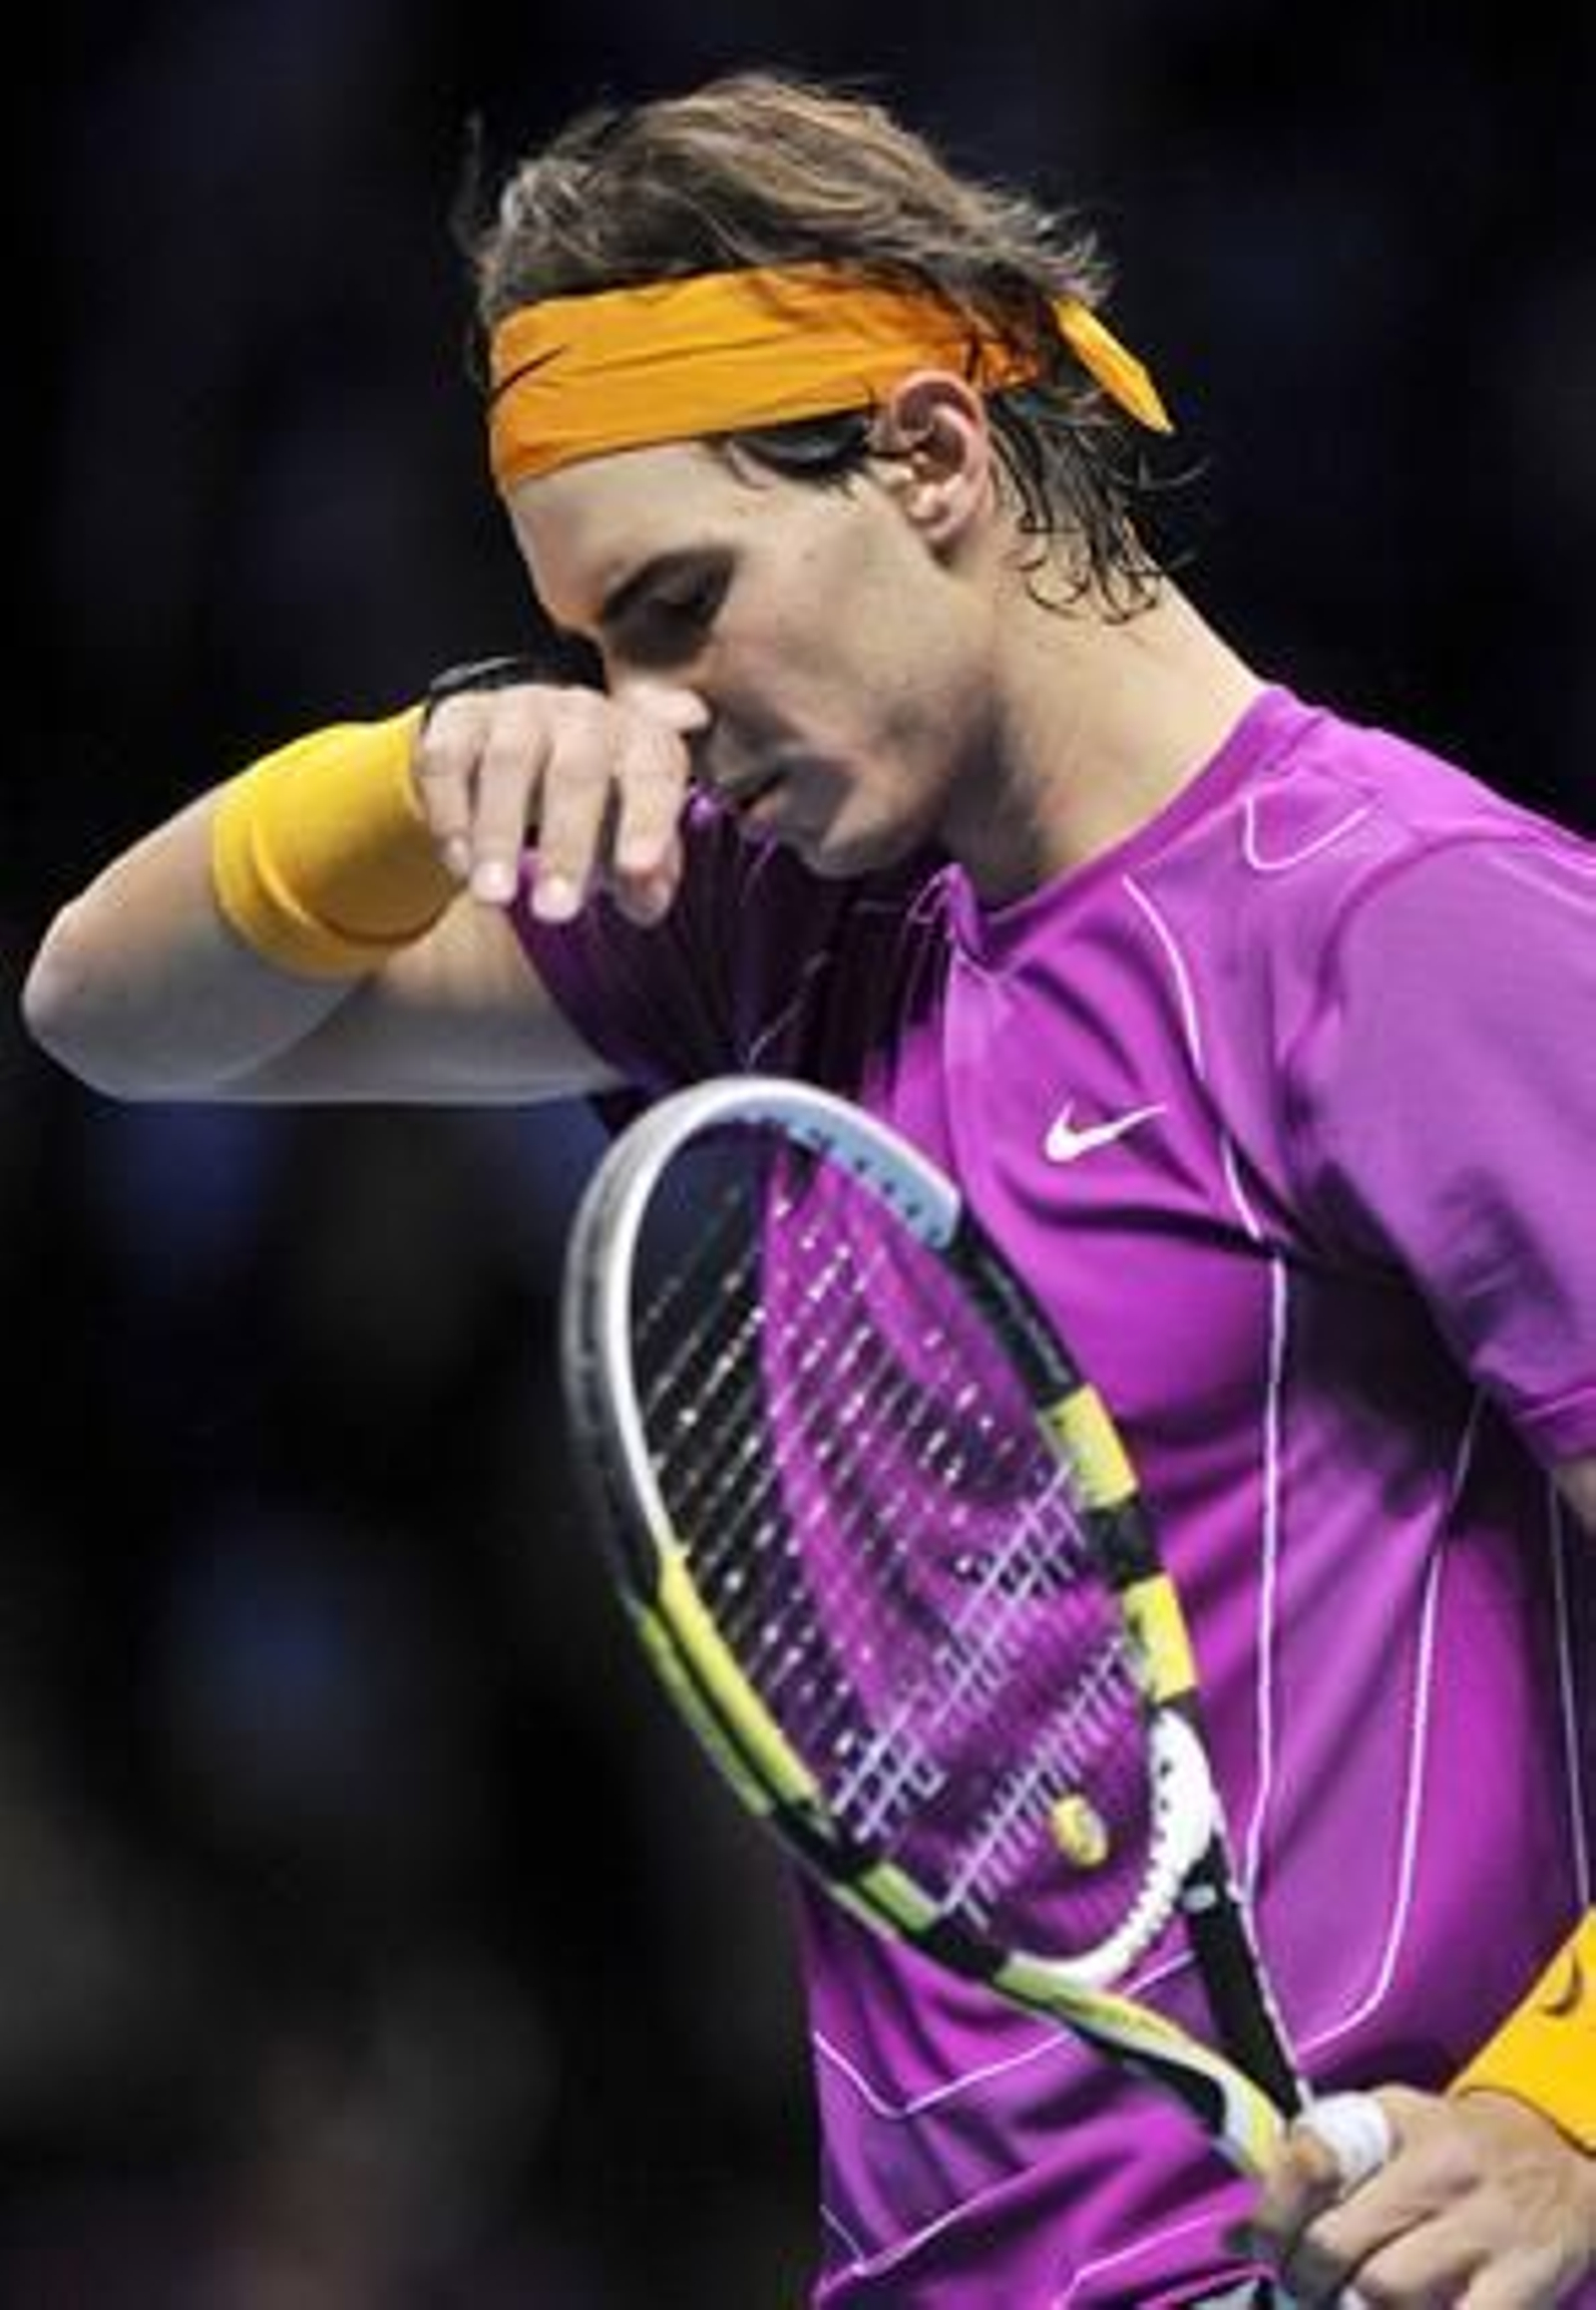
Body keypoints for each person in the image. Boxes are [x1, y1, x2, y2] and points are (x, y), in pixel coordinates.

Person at [23, 68, 1596, 2310]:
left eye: (678, 604)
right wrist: (413, 772)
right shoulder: (769, 919)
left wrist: (1567, 2113)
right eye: (590, 649)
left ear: (931, 457)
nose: (651, 712)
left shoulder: (1406, 927)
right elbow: (113, 1012)